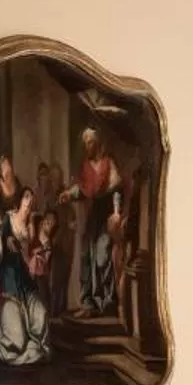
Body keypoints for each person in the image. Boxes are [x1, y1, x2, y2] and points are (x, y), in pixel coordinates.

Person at [61, 127, 125, 316]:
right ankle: (88, 304)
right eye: (85, 143)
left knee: (103, 256)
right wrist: (68, 194)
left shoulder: (108, 163)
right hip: (92, 216)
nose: (87, 147)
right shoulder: (85, 167)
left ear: (97, 144)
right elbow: (82, 189)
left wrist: (116, 212)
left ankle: (107, 301)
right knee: (85, 257)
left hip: (106, 215)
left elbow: (117, 189)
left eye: (90, 142)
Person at [0, 191, 51, 365]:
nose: (29, 202)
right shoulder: (8, 220)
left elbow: (36, 247)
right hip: (8, 278)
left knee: (42, 315)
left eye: (32, 199)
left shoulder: (32, 225)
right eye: (26, 198)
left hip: (25, 278)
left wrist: (38, 255)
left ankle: (37, 347)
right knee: (17, 338)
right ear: (20, 201)